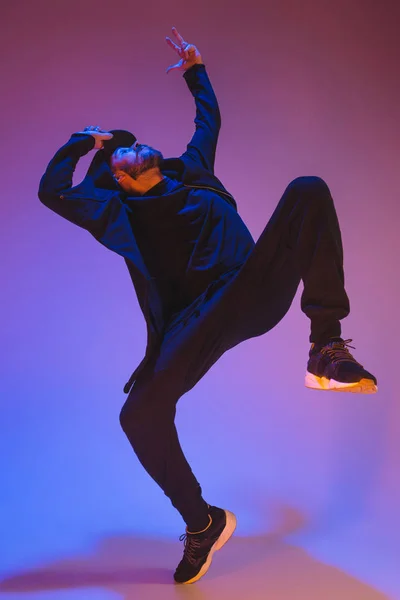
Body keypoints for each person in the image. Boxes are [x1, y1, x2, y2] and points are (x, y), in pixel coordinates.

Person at [38, 27, 377, 585]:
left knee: (308, 189)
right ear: (121, 179)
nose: (134, 147)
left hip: (252, 285)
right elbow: (53, 191)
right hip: (199, 319)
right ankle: (202, 523)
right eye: (122, 152)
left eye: (131, 144)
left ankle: (325, 345)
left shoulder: (192, 170)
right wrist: (82, 144)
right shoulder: (118, 215)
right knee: (138, 414)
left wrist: (197, 71)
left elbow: (207, 122)